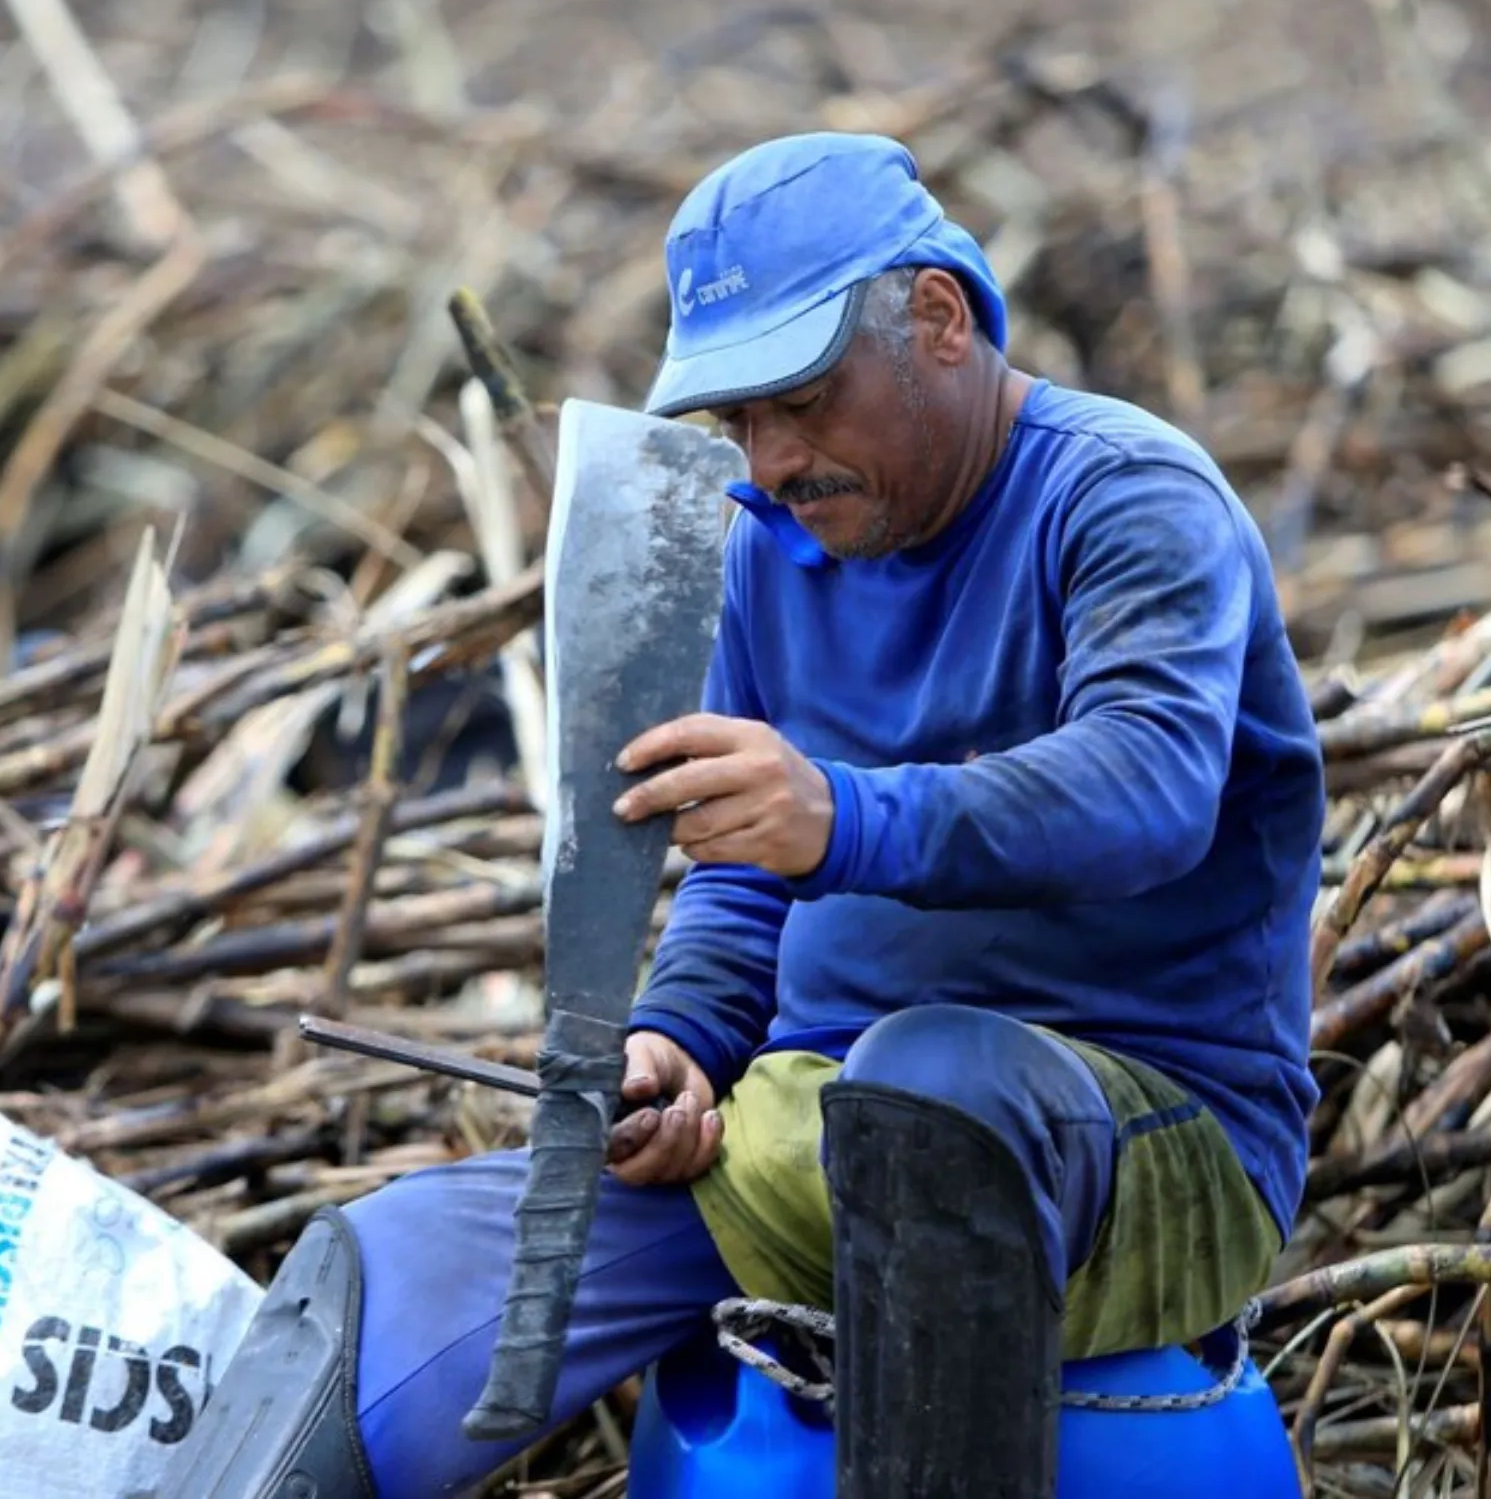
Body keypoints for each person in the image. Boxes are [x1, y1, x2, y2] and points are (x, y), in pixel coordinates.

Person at [156, 131, 1324, 1498]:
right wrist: (681, 1040)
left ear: (940, 322)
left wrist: (840, 814)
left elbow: (1149, 791)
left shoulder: (1126, 500)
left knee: (930, 1094)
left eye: (807, 399)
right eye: (740, 421)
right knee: (387, 1273)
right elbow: (740, 868)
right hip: (814, 1120)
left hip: (1143, 1138)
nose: (770, 459)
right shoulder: (774, 548)